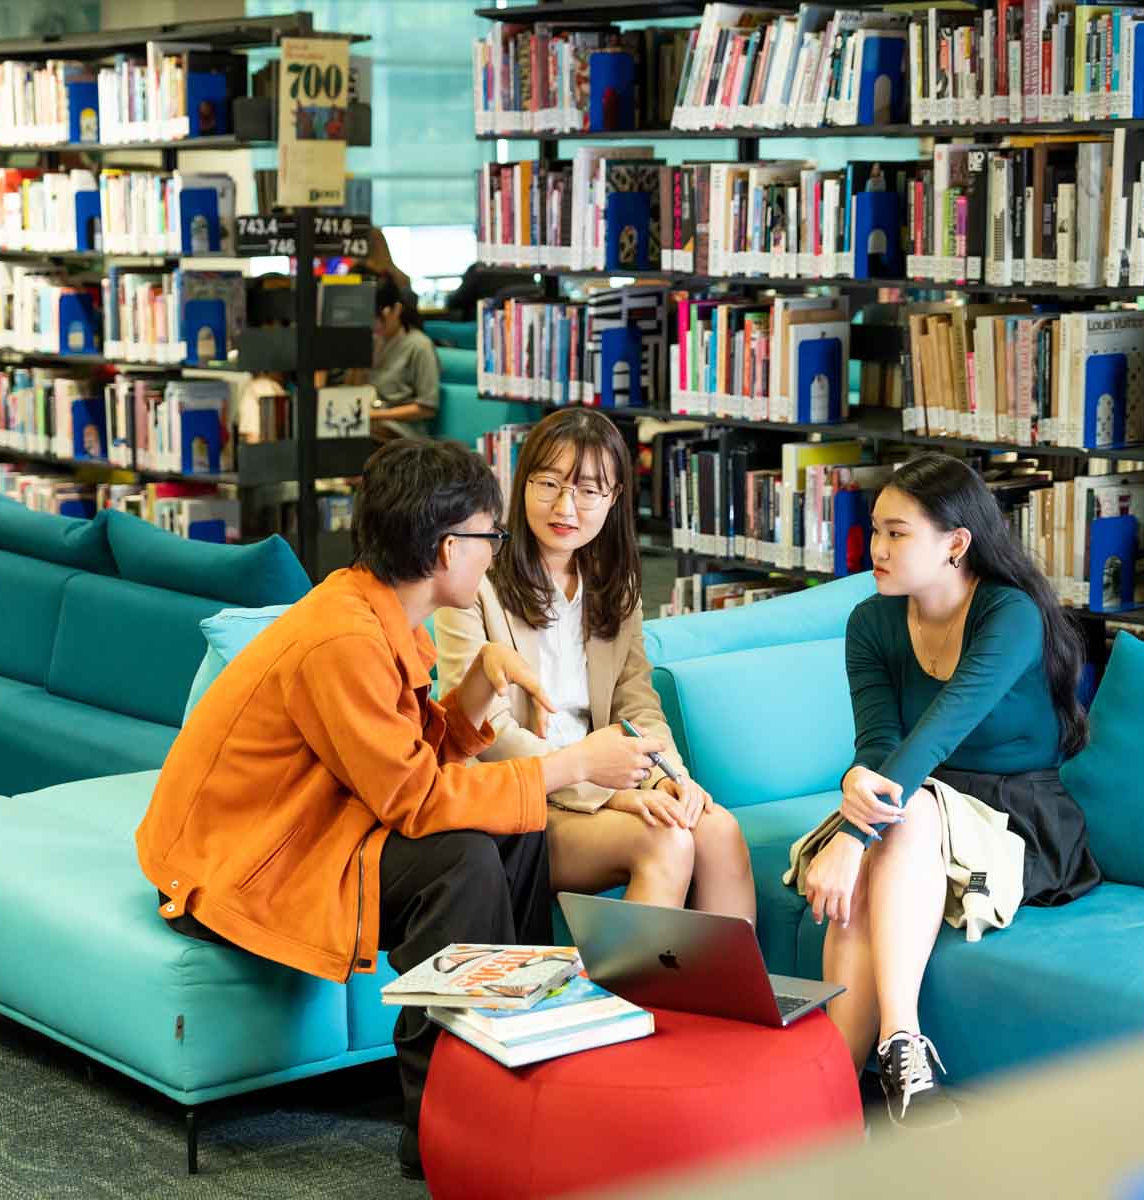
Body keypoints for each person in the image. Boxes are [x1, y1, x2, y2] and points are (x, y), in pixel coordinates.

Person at [134, 437, 666, 1179]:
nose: (496, 554)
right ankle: (443, 1123)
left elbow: (410, 751)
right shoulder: (343, 639)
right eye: (490, 536)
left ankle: (511, 1064)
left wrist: (481, 682)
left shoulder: (379, 606)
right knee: (461, 856)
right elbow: (413, 800)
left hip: (318, 824)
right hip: (239, 864)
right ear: (448, 550)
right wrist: (570, 765)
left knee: (509, 829)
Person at [798, 453, 1101, 1128]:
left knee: (890, 827)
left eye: (897, 533)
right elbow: (880, 745)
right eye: (874, 529)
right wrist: (860, 790)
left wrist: (853, 833)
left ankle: (895, 1050)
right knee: (886, 840)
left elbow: (937, 731)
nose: (875, 548)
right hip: (916, 802)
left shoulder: (1010, 614)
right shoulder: (871, 623)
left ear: (956, 544)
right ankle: (836, 1101)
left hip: (1017, 815)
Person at [435, 408, 756, 921]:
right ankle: (629, 1005)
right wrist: (609, 796)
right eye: (548, 483)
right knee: (667, 842)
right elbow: (485, 733)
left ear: (614, 499)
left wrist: (668, 779)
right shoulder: (474, 582)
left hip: (604, 782)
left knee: (719, 831)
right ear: (522, 484)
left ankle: (729, 1004)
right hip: (524, 800)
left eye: (588, 491)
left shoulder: (615, 583)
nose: (565, 506)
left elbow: (637, 702)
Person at [370, 276, 441, 439]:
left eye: (381, 319)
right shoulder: (373, 341)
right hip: (373, 423)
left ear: (397, 310)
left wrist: (376, 415)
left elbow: (427, 407)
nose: (376, 326)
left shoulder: (419, 346)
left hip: (403, 431)